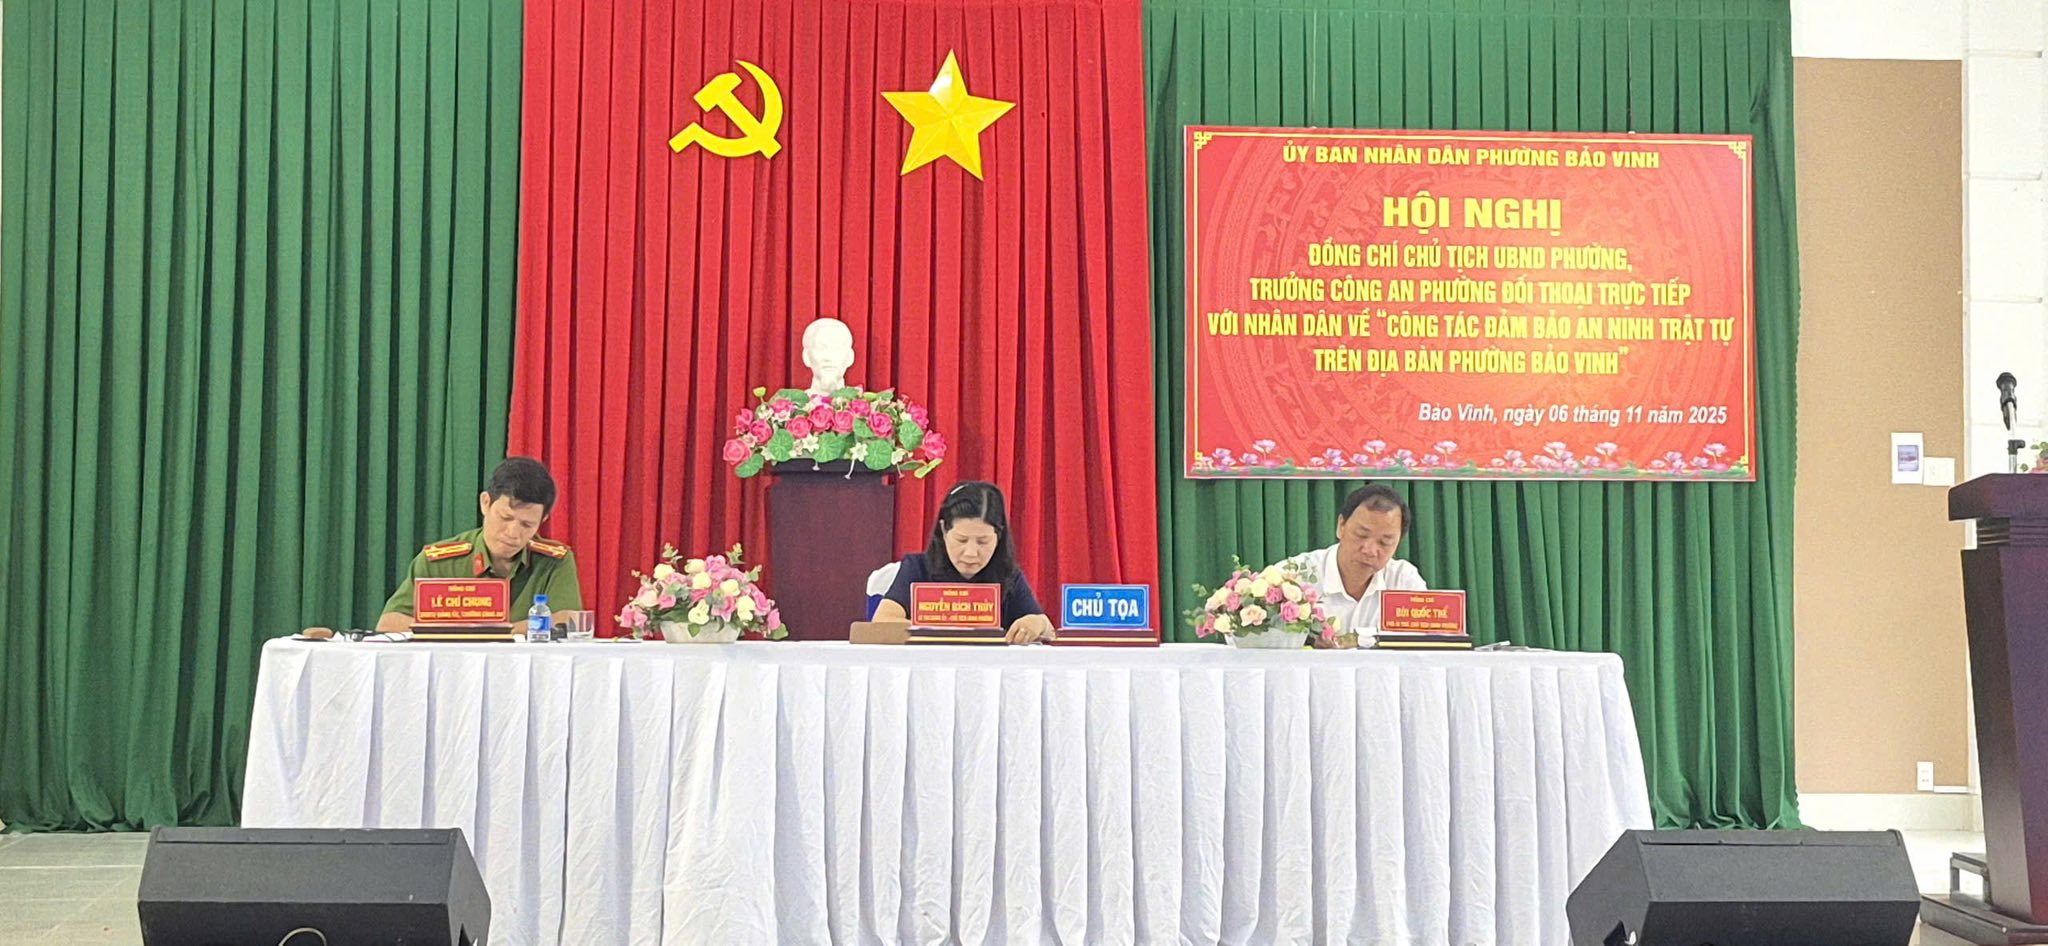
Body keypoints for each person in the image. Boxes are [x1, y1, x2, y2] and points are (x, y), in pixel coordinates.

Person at [373, 457, 584, 632]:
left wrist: (490, 632)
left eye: (527, 525)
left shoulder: (554, 561)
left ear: (543, 520)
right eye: (505, 517)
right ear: (485, 503)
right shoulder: (438, 562)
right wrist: (469, 634)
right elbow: (389, 623)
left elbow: (568, 622)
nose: (513, 533)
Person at [872, 481, 1055, 644]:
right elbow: (882, 622)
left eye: (983, 542)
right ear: (944, 531)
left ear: (998, 537)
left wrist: (1036, 623)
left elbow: (1048, 630)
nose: (970, 553)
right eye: (961, 540)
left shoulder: (1008, 576)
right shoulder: (916, 568)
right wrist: (939, 629)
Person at [1274, 483, 1426, 645]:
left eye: (1385, 542)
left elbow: (1426, 647)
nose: (1370, 550)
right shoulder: (1292, 575)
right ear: (1341, 526)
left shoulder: (1404, 581)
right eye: (1361, 535)